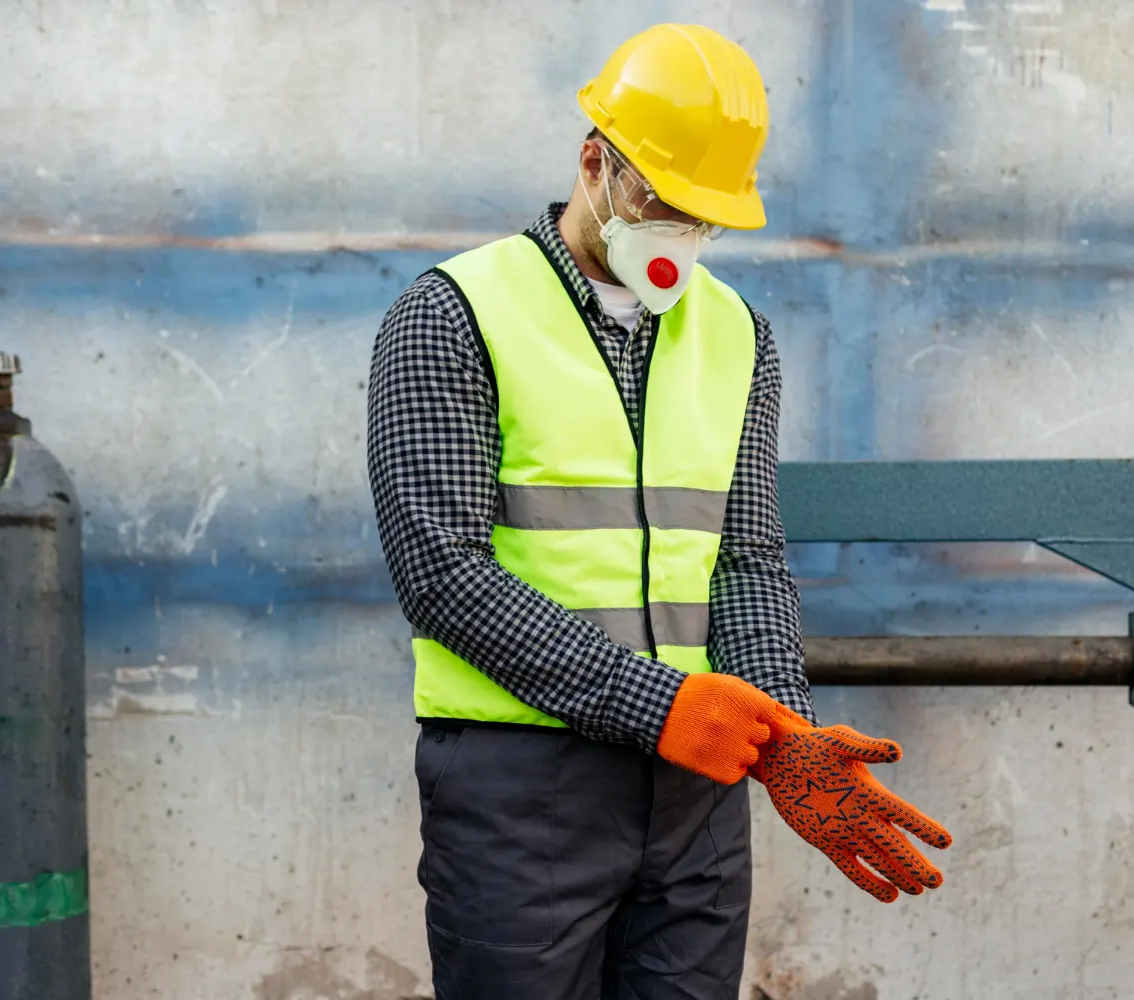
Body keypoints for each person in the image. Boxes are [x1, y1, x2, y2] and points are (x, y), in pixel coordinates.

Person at [366, 23, 952, 1000]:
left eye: (703, 215)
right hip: (521, 794)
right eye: (659, 201)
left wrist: (786, 734)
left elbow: (743, 562)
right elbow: (443, 576)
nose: (678, 231)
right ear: (594, 161)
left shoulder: (738, 337)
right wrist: (660, 704)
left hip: (698, 798)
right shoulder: (452, 317)